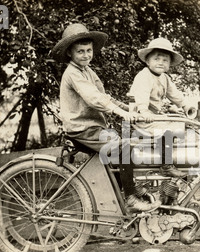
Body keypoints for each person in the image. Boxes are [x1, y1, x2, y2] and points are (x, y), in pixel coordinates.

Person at [52, 23, 160, 212]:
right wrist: (121, 113)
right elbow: (94, 99)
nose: (86, 55)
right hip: (82, 129)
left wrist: (129, 109)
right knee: (124, 147)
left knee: (123, 148)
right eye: (80, 52)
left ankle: (127, 190)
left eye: (89, 50)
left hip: (93, 127)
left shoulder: (87, 71)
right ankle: (130, 199)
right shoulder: (72, 73)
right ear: (70, 53)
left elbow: (104, 97)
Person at [128, 38, 197, 177]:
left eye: (165, 60)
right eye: (156, 59)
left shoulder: (164, 78)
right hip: (141, 118)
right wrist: (144, 110)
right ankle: (166, 165)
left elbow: (175, 95)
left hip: (153, 116)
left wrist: (185, 106)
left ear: (170, 64)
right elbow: (141, 96)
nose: (161, 62)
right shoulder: (144, 76)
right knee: (169, 129)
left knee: (181, 123)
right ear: (147, 61)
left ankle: (172, 153)